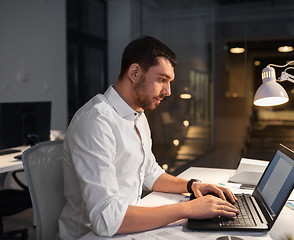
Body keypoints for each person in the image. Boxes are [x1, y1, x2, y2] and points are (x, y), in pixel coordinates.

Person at [58, 36, 239, 239]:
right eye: (162, 80)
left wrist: (192, 186)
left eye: (169, 82)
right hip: (93, 234)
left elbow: (149, 173)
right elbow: (105, 218)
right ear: (134, 73)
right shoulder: (96, 121)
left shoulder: (137, 115)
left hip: (126, 227)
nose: (168, 91)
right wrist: (187, 209)